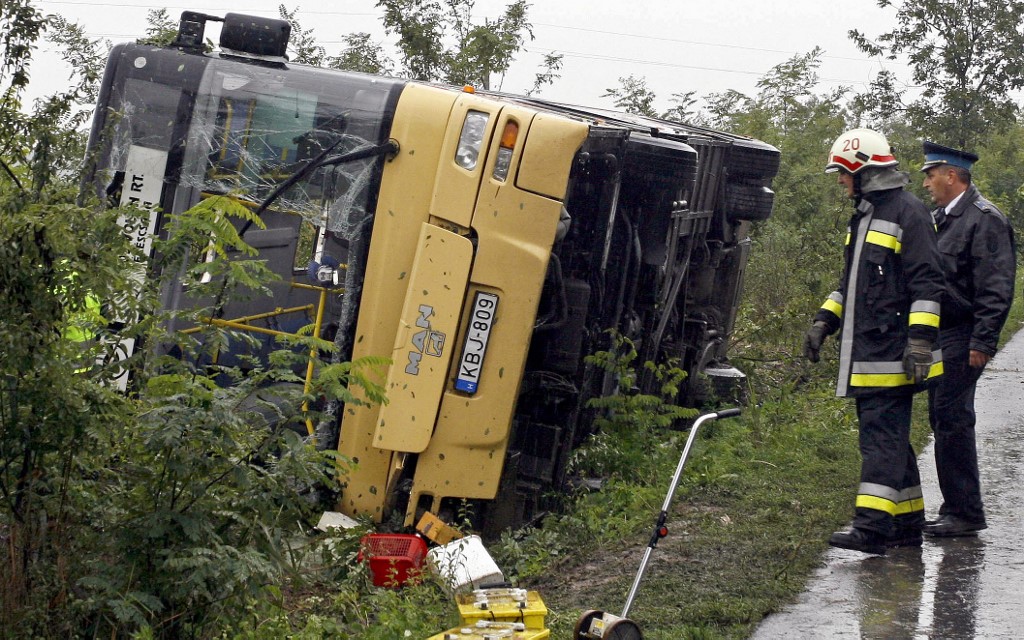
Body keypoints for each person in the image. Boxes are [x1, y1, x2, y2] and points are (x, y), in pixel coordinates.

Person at [803, 128, 945, 554]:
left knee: (880, 441)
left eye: (844, 175)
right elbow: (851, 284)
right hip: (869, 355)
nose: (840, 182)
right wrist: (822, 322)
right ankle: (906, 523)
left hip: (895, 356)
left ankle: (872, 528)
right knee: (891, 439)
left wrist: (919, 342)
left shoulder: (909, 213)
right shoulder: (865, 215)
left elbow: (928, 284)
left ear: (864, 171)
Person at [919, 141, 1016, 537]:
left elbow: (997, 287)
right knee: (943, 417)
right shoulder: (942, 219)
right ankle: (957, 507)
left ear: (951, 176)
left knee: (953, 418)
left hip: (964, 334)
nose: (925, 182)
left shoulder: (984, 219)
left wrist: (983, 342)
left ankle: (965, 512)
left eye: (930, 175)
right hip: (943, 334)